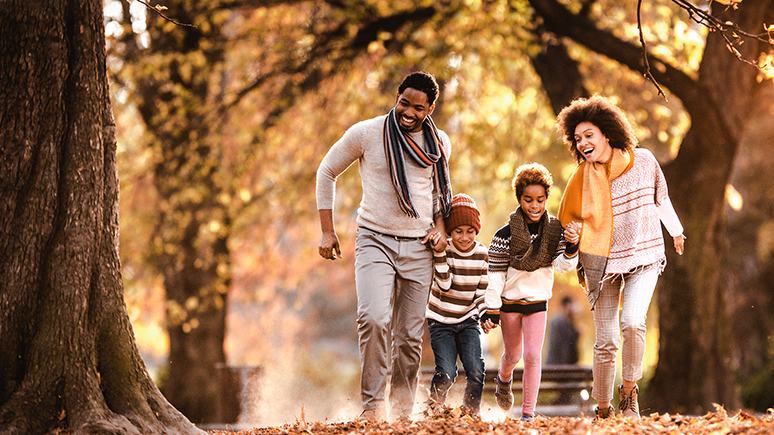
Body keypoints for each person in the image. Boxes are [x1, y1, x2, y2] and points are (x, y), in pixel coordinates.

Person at [316, 71, 452, 420]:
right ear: (396, 97)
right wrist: (327, 231)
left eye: (418, 107)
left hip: (419, 246)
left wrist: (440, 229)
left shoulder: (439, 145)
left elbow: (439, 195)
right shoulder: (367, 133)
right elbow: (326, 171)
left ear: (430, 108)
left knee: (408, 336)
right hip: (374, 240)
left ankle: (404, 409)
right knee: (374, 318)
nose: (409, 112)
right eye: (403, 103)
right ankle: (373, 407)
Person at [555, 95, 686, 420]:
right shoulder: (582, 180)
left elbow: (661, 198)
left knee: (632, 322)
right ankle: (603, 407)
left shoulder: (643, 161)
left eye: (589, 135)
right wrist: (571, 243)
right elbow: (565, 234)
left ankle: (629, 393)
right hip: (604, 266)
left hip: (644, 255)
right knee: (607, 341)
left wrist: (676, 231)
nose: (583, 142)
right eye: (578, 139)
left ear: (607, 133)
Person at [480, 163, 580, 422]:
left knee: (533, 356)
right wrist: (491, 309)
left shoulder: (555, 231)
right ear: (519, 199)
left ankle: (527, 413)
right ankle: (504, 379)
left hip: (537, 303)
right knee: (512, 355)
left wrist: (571, 246)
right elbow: (495, 276)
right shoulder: (505, 236)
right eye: (528, 200)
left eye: (540, 200)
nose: (534, 206)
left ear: (547, 198)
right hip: (509, 304)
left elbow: (562, 266)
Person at [426, 193, 488, 415]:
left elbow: (481, 294)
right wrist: (440, 253)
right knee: (447, 373)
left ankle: (471, 413)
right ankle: (433, 410)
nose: (464, 237)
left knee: (476, 369)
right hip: (440, 321)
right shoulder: (445, 249)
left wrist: (486, 316)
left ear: (476, 231)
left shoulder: (482, 253)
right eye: (458, 231)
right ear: (450, 231)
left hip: (468, 319)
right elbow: (444, 285)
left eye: (470, 231)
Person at [545, 295, 581, 405]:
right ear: (567, 305)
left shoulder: (563, 321)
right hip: (559, 365)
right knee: (577, 378)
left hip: (562, 364)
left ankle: (560, 402)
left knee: (573, 382)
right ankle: (561, 403)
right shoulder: (559, 321)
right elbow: (563, 345)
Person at [546, 296, 580, 366]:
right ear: (567, 305)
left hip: (566, 364)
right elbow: (558, 345)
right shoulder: (558, 322)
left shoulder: (569, 322)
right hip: (558, 364)